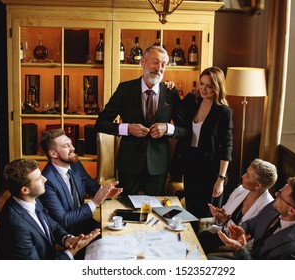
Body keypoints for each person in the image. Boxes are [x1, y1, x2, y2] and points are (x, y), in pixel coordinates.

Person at [95, 45, 188, 195]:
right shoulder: (125, 89)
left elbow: (185, 129)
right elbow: (100, 124)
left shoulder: (171, 92)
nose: (159, 68)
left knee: (155, 211)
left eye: (163, 64)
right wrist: (127, 129)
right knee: (126, 209)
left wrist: (167, 128)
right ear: (143, 62)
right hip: (129, 164)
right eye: (155, 62)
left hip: (158, 166)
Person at [0, 158, 99, 260]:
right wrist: (72, 251)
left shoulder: (32, 199)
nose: (44, 179)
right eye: (38, 179)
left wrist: (67, 239)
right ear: (25, 190)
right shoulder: (16, 226)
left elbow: (51, 224)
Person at [171, 66, 233, 220]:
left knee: (206, 215)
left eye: (209, 86)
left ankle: (204, 243)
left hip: (211, 169)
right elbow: (174, 107)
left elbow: (227, 146)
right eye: (201, 84)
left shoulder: (224, 112)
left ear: (217, 87)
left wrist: (221, 179)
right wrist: (170, 88)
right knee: (191, 212)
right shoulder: (193, 101)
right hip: (190, 164)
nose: (204, 89)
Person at [39, 128, 122, 236]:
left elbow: (92, 187)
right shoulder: (47, 181)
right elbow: (64, 220)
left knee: (118, 235)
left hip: (85, 223)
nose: (73, 148)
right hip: (68, 234)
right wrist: (94, 203)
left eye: (71, 144)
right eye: (66, 146)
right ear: (53, 154)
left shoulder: (75, 165)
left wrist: (107, 192)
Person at [216, 176, 295, 260]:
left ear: (292, 211)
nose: (276, 194)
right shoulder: (277, 206)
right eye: (280, 191)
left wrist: (240, 250)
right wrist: (242, 230)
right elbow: (252, 223)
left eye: (280, 195)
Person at [198, 158, 277, 254]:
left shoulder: (267, 207)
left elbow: (249, 242)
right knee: (199, 239)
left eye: (247, 176)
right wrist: (218, 216)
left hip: (235, 247)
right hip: (221, 233)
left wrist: (225, 220)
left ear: (258, 185)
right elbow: (224, 217)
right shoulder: (241, 189)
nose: (243, 176)